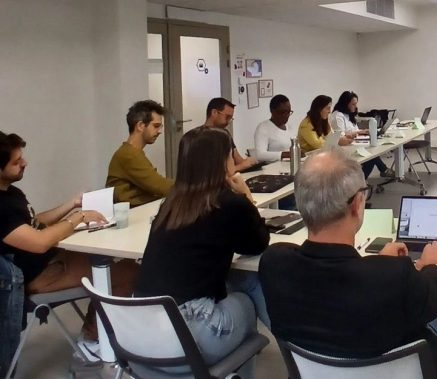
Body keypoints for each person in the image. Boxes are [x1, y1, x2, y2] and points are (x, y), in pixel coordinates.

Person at [259, 148, 437, 379]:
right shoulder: (396, 277)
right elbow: (433, 298)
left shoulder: (274, 263)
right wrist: (432, 266)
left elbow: (341, 280)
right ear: (357, 203)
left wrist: (378, 265)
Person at [134, 127, 271, 366]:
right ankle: (301, 352)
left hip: (142, 338)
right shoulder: (229, 203)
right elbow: (258, 242)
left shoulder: (171, 204)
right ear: (220, 162)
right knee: (249, 289)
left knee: (235, 278)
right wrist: (247, 196)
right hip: (189, 340)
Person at [0, 131, 138, 364]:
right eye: (16, 161)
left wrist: (72, 205)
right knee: (129, 273)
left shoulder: (11, 193)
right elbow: (40, 241)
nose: (25, 163)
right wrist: (78, 218)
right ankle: (92, 342)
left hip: (53, 261)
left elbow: (35, 223)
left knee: (116, 261)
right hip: (39, 276)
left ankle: (95, 333)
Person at [106, 100, 174, 207]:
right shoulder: (129, 155)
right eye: (156, 126)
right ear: (140, 126)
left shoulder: (131, 152)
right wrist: (193, 187)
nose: (160, 131)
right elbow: (160, 186)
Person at [331, 91, 394, 179]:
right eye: (353, 104)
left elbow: (354, 130)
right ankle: (365, 179)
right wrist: (360, 132)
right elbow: (341, 135)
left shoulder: (349, 114)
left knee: (372, 152)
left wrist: (363, 131)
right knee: (371, 154)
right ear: (345, 103)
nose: (355, 106)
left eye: (356, 104)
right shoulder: (338, 116)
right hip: (345, 147)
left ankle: (379, 171)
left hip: (354, 143)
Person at [200, 97, 258, 172]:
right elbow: (212, 174)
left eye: (231, 118)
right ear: (214, 112)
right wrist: (241, 166)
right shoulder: (199, 138)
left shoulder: (225, 134)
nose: (228, 122)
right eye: (227, 117)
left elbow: (239, 160)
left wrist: (250, 163)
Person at [253, 94, 297, 163]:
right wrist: (284, 154)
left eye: (288, 112)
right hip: (272, 169)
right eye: (282, 112)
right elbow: (260, 155)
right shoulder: (263, 128)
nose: (286, 115)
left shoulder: (290, 127)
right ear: (272, 111)